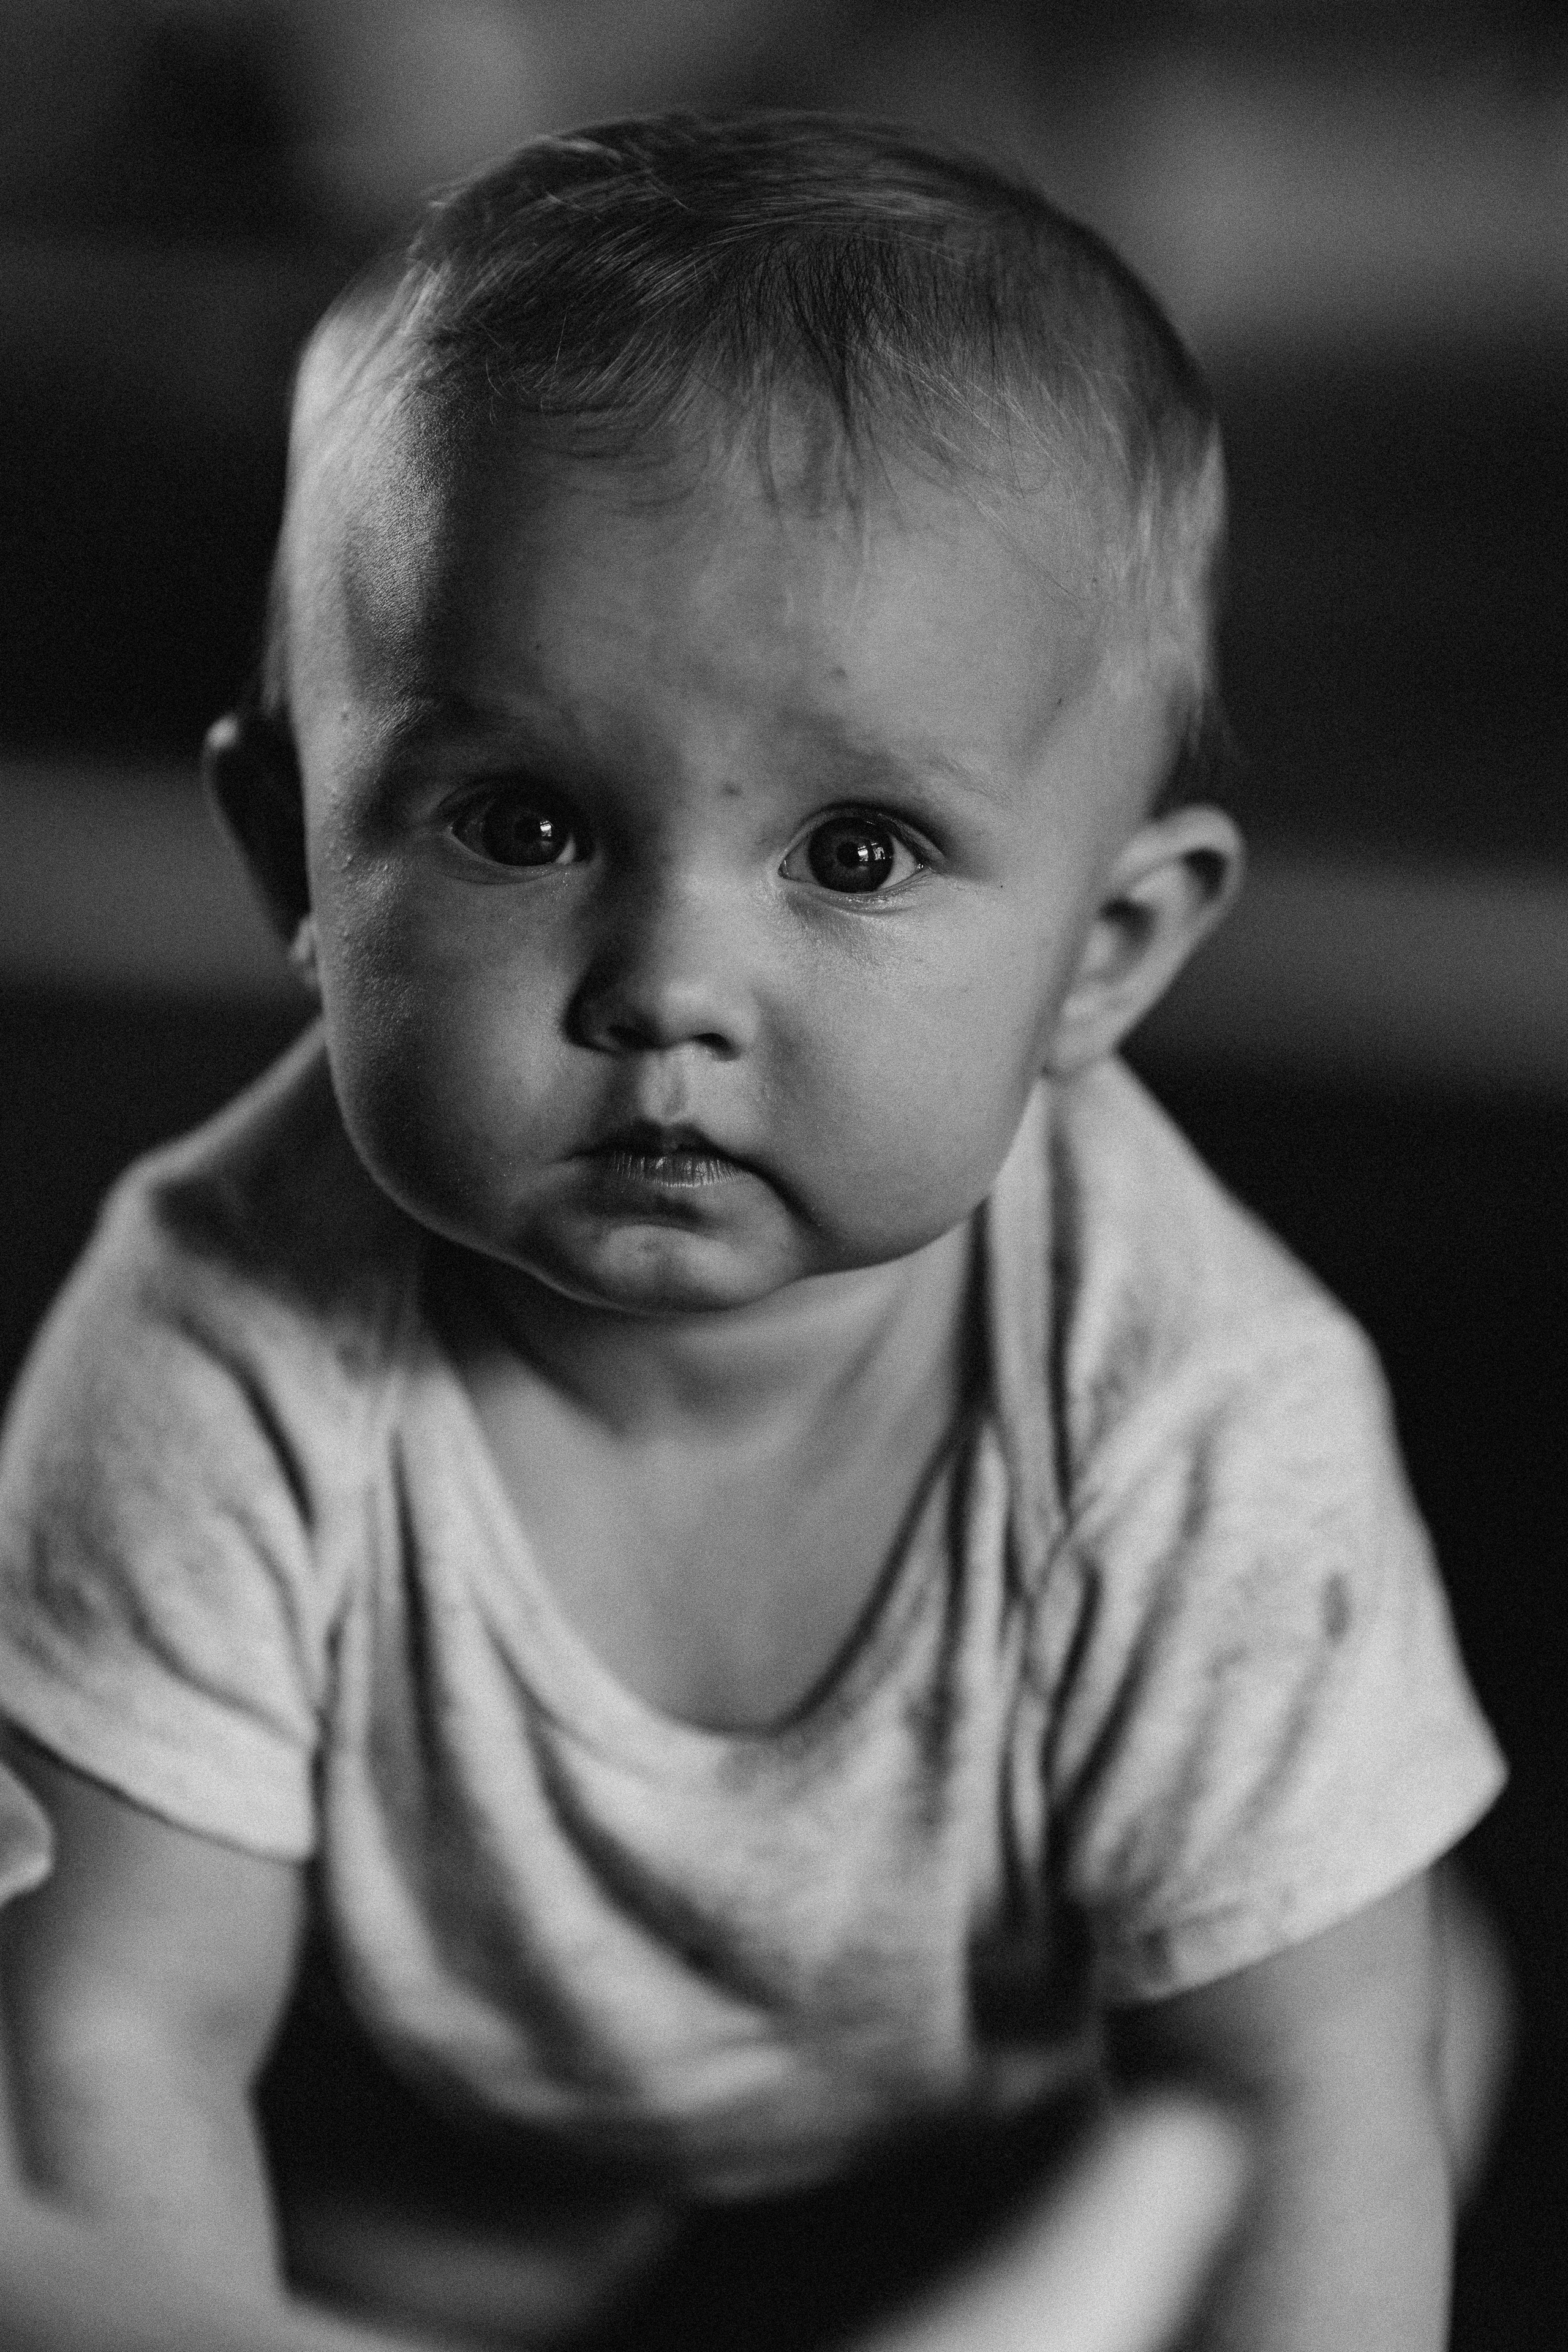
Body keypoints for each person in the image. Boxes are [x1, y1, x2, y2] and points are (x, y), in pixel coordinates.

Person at [0, 115, 1505, 2351]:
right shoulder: (218, 1341)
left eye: (863, 854)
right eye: (522, 822)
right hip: (454, 2100)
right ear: (294, 860)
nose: (669, 985)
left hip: (1029, 2081)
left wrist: (1229, 2177)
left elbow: (1308, 2114)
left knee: (1384, 2026)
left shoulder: (1198, 1412)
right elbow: (117, 2047)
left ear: (1106, 951)